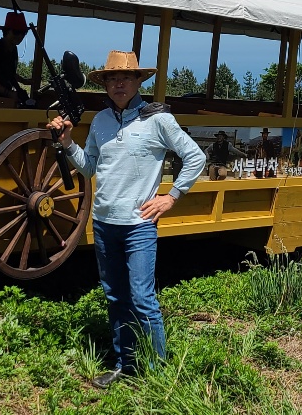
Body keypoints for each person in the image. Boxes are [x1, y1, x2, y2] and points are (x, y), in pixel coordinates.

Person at [48, 50, 205, 389]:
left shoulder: (158, 119)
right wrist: (68, 143)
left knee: (142, 299)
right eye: (112, 79)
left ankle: (159, 374)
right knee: (116, 297)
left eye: (125, 78)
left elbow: (195, 156)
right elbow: (90, 167)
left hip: (138, 227)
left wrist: (171, 196)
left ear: (137, 82)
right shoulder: (101, 121)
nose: (118, 84)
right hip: (104, 224)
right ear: (105, 84)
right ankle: (126, 365)